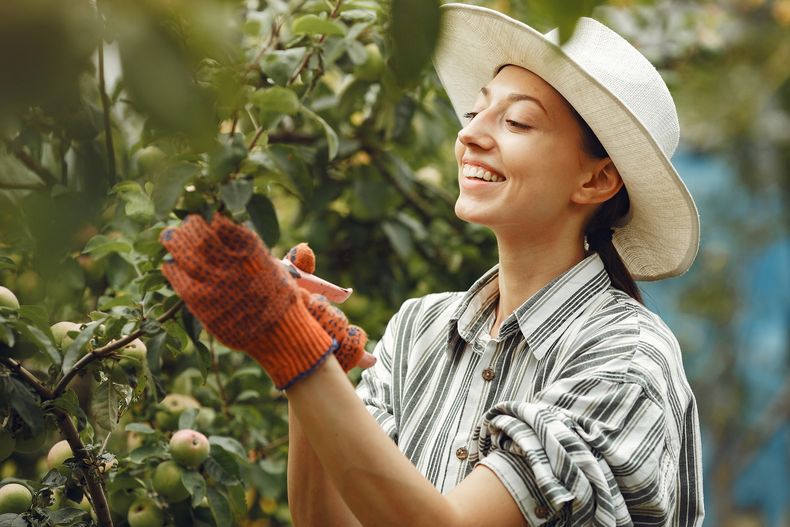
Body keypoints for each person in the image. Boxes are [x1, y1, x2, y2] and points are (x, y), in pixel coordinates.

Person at [159, 3, 704, 526]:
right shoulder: (419, 330)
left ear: (596, 180)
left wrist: (296, 349)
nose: (469, 134)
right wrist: (304, 348)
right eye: (475, 111)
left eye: (516, 122)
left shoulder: (627, 359)